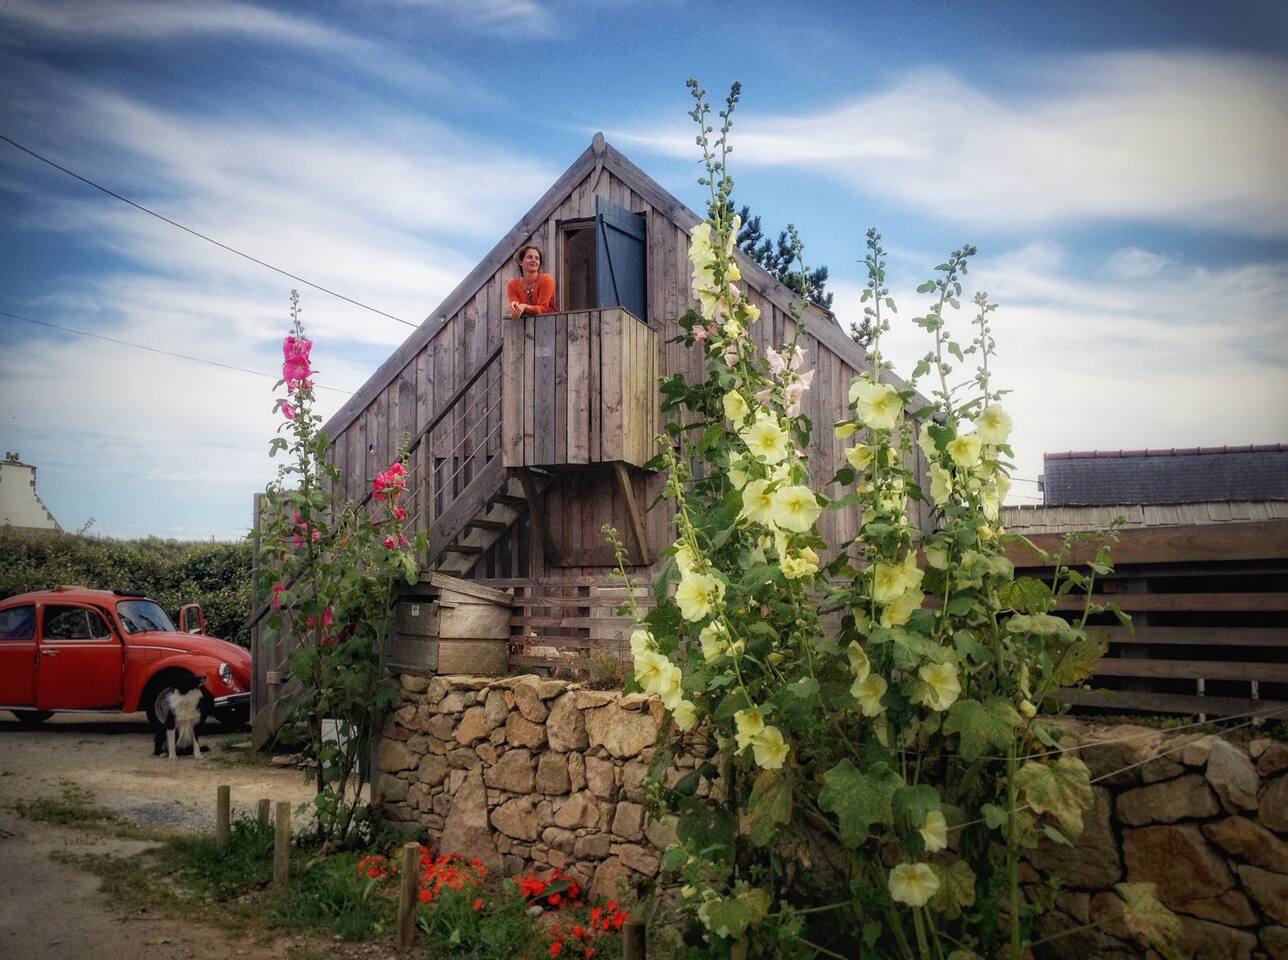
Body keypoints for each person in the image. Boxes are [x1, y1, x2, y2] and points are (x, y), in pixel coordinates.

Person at [507, 244, 558, 319]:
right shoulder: (512, 284)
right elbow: (517, 310)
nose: (534, 260)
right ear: (521, 262)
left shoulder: (547, 279)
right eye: (529, 257)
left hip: (550, 323)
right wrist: (515, 306)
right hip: (525, 327)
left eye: (537, 258)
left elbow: (543, 309)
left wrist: (525, 307)